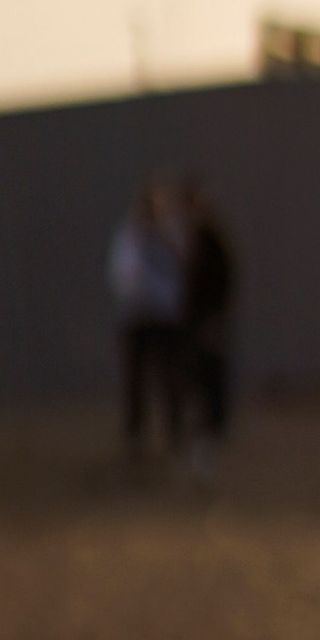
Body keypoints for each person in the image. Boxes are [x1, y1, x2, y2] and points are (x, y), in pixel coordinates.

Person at [108, 182, 186, 457]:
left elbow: (184, 268)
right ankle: (136, 437)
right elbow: (122, 275)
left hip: (165, 318)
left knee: (169, 378)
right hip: (138, 318)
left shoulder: (172, 233)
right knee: (136, 383)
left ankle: (175, 433)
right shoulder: (130, 236)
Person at [179, 186, 237, 460]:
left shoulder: (211, 240)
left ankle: (216, 421)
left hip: (209, 316)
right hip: (194, 318)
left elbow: (224, 279)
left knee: (212, 370)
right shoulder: (190, 240)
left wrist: (216, 315)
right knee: (196, 371)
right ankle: (202, 421)